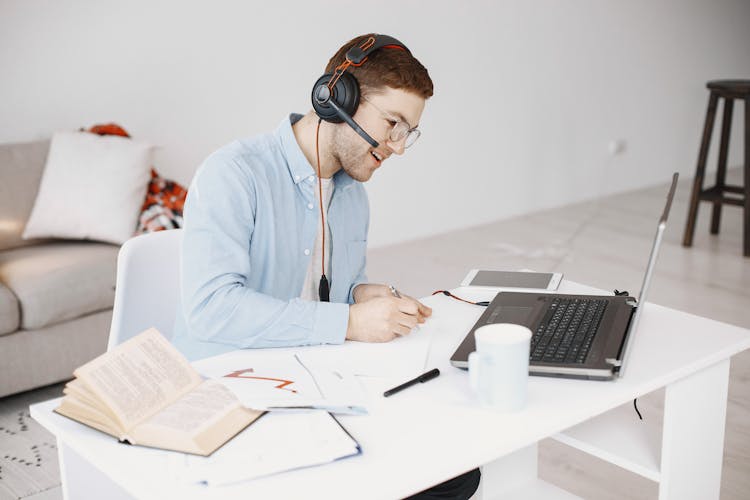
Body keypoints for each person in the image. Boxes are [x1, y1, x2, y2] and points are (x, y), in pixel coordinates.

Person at [171, 33, 479, 499]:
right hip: (228, 391)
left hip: (310, 379)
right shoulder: (233, 173)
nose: (397, 147)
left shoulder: (353, 195)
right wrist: (350, 320)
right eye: (392, 123)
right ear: (337, 97)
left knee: (456, 470)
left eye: (407, 133)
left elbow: (332, 289)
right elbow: (212, 308)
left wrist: (360, 294)